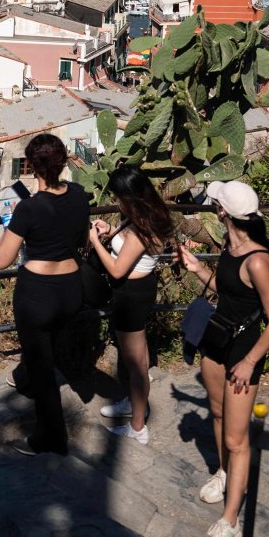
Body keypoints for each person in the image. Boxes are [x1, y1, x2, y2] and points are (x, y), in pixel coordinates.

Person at [178, 180, 269, 537]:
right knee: (219, 415)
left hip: (243, 352)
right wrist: (197, 270)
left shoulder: (257, 259)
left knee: (237, 440)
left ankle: (232, 517)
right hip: (217, 341)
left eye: (216, 203)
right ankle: (224, 473)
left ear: (222, 212)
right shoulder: (230, 245)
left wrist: (249, 361)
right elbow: (229, 296)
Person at [0, 133, 91, 456]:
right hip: (71, 290)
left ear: (32, 167)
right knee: (47, 355)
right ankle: (27, 381)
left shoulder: (28, 209)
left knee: (41, 367)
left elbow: (1, 259)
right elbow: (79, 237)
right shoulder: (79, 196)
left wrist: (13, 224)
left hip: (38, 296)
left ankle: (50, 437)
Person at [87, 164, 175, 445]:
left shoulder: (141, 231)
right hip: (137, 291)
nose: (115, 202)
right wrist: (110, 229)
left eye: (118, 197)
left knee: (137, 364)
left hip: (131, 296)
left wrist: (95, 242)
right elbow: (131, 248)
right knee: (136, 357)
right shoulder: (146, 216)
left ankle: (138, 426)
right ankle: (132, 404)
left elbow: (116, 270)